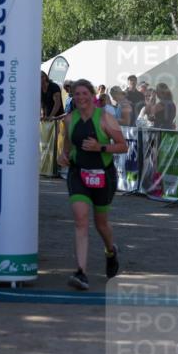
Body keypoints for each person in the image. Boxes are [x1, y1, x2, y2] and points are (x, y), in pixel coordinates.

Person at [57, 79, 129, 291]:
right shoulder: (69, 119)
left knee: (101, 224)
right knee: (81, 220)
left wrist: (100, 147)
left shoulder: (105, 118)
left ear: (92, 95)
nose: (80, 98)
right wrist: (63, 155)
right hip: (78, 173)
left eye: (84, 93)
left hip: (103, 175)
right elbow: (67, 145)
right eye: (76, 94)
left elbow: (123, 146)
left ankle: (110, 251)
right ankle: (81, 272)